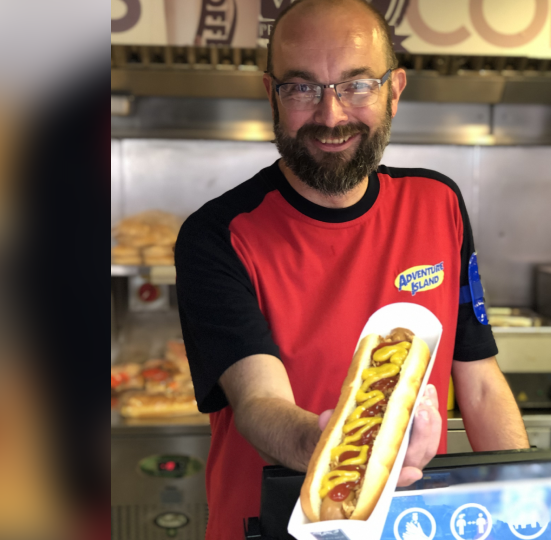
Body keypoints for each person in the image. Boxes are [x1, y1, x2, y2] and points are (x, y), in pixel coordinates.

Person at [174, 0, 530, 537]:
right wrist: (348, 455)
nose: (332, 115)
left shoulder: (439, 204)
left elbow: (478, 381)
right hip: (267, 524)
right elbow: (259, 401)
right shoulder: (218, 235)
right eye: (303, 87)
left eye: (357, 85)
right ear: (271, 94)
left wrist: (526, 503)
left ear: (395, 90)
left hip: (410, 524)